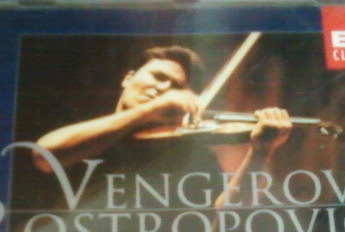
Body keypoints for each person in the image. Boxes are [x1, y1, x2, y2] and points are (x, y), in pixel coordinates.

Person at [31, 45, 292, 177]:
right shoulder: (77, 123)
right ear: (128, 78)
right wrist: (151, 109)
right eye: (158, 76)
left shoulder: (192, 156)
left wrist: (260, 152)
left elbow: (226, 217)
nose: (164, 88)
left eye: (176, 87)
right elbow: (44, 155)